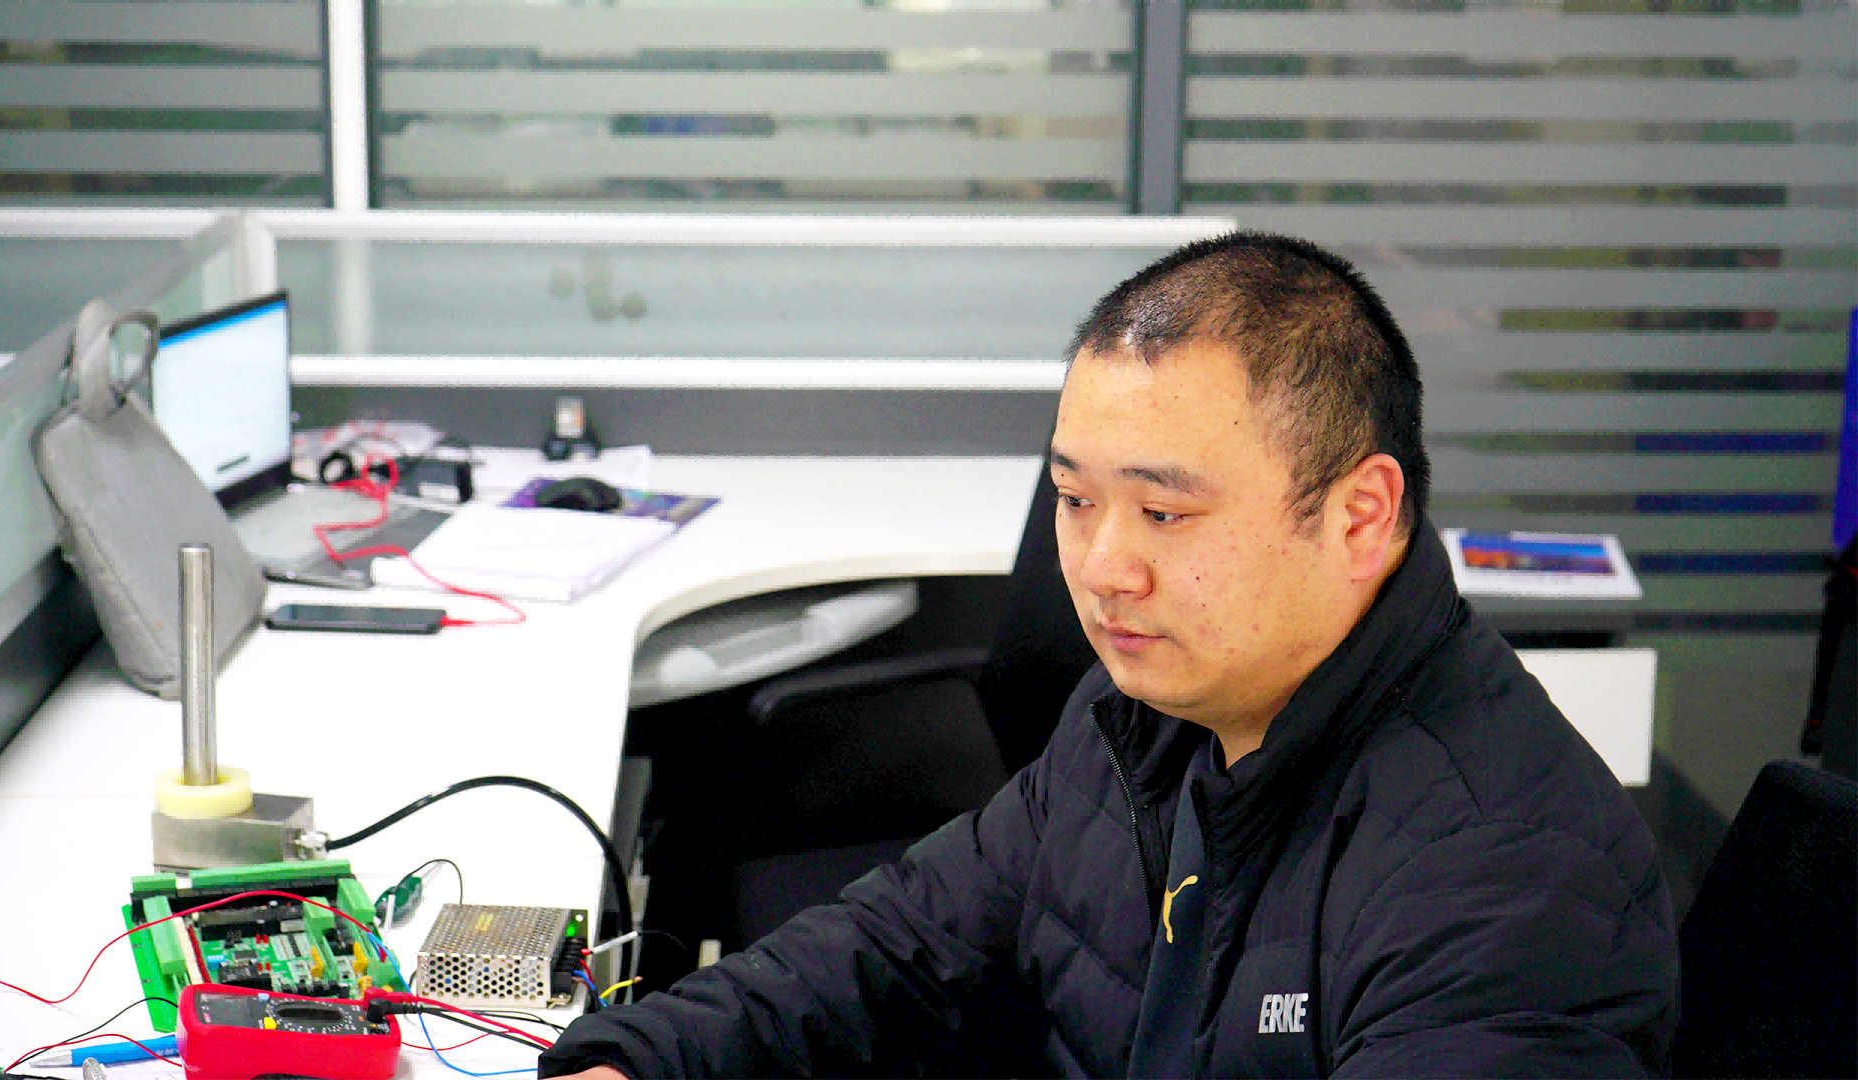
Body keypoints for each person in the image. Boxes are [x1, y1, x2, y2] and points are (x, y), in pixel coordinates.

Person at [540, 233, 1678, 1079]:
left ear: (1359, 517)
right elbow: (906, 938)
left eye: (1165, 513)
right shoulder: (1145, 717)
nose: (1101, 569)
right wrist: (639, 1060)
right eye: (1076, 500)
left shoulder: (1506, 887)